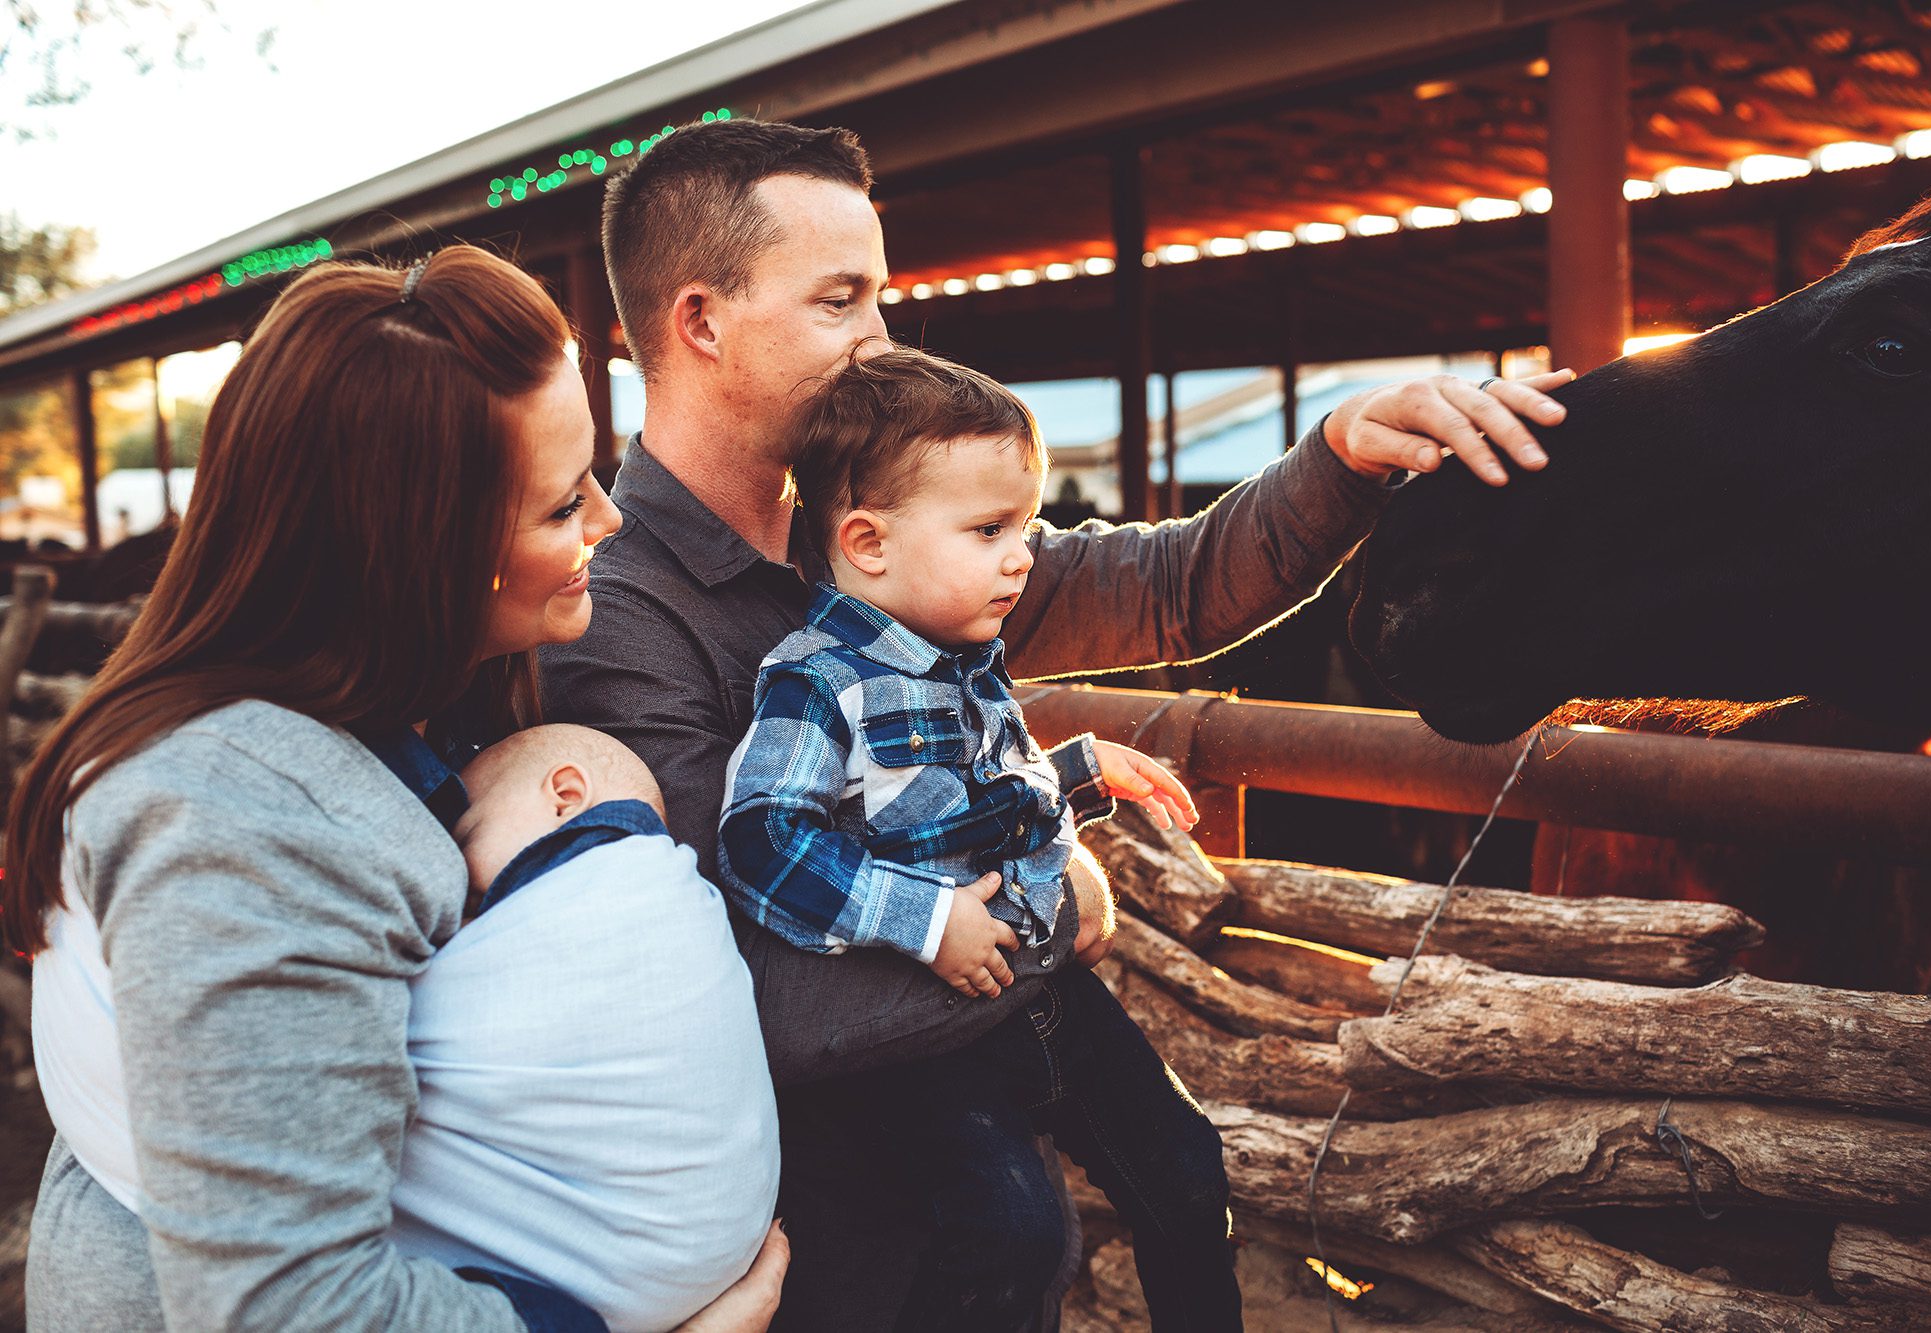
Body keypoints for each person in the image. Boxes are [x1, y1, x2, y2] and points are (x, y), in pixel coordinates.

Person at [539, 116, 1569, 1328]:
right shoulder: (613, 610)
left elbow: (1168, 584)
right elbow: (743, 967)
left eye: (879, 296)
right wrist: (1053, 899)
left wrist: (1340, 457)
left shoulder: (900, 529)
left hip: (990, 1225)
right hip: (838, 1255)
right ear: (700, 321)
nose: (880, 337)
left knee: (1176, 1179)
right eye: (838, 301)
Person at [12, 245, 785, 1333]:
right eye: (562, 506)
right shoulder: (237, 826)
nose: (607, 522)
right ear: (432, 551)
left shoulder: (432, 706)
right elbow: (290, 1307)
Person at [717, 347, 1241, 1331]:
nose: (1023, 554)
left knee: (1184, 1165)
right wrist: (924, 920)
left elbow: (978, 795)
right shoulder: (815, 683)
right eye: (991, 529)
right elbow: (761, 844)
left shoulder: (963, 654)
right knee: (1009, 1229)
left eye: (1026, 524)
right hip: (933, 1033)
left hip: (1048, 995)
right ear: (867, 543)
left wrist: (1076, 775)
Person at [391, 723, 779, 1333]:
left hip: (585, 1287)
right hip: (711, 1258)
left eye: (465, 835)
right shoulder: (674, 896)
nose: (450, 886)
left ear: (565, 797)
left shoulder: (632, 891)